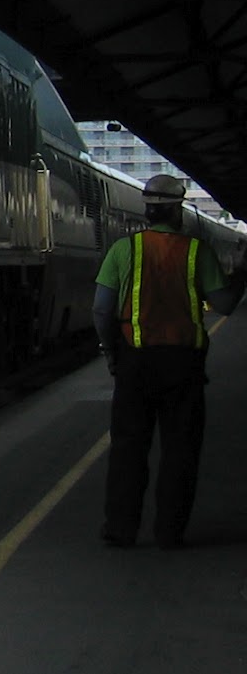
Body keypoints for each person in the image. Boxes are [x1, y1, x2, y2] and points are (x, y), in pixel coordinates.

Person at [92, 173, 241, 549]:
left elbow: (101, 310)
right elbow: (223, 304)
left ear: (147, 209)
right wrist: (241, 275)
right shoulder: (197, 252)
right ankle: (169, 531)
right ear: (177, 210)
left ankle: (120, 529)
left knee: (128, 449)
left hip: (134, 364)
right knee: (180, 451)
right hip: (183, 367)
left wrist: (111, 353)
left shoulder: (123, 250)